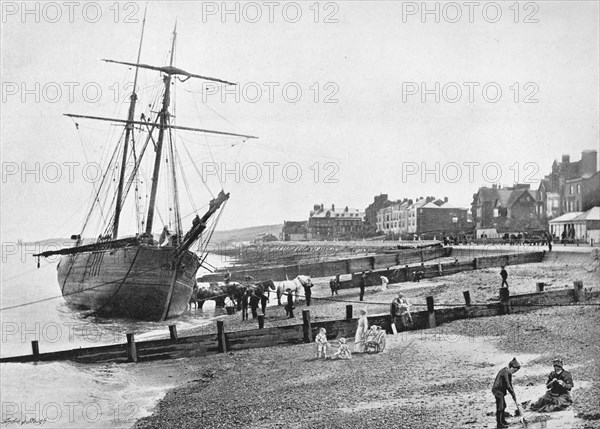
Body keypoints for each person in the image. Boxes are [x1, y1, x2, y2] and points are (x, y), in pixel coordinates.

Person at [491, 358, 521, 429]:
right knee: (500, 407)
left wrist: (513, 394)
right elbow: (507, 385)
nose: (514, 372)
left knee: (504, 405)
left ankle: (503, 420)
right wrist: (512, 393)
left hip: (501, 391)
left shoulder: (509, 373)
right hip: (497, 390)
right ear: (511, 367)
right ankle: (499, 423)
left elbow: (510, 384)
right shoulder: (505, 372)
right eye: (515, 370)